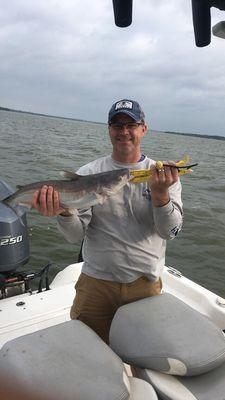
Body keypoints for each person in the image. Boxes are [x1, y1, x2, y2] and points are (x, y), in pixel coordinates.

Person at [32, 99, 183, 344]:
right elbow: (74, 236)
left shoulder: (164, 174)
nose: (124, 132)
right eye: (117, 125)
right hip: (95, 284)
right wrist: (64, 212)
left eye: (131, 125)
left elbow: (170, 232)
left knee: (142, 356)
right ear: (109, 129)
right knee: (86, 352)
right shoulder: (89, 173)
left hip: (144, 284)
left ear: (143, 129)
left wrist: (161, 194)